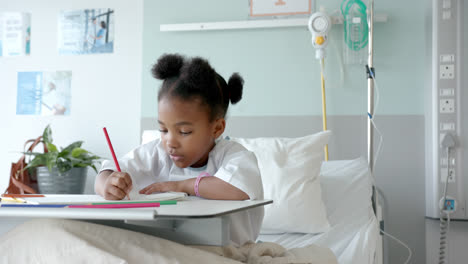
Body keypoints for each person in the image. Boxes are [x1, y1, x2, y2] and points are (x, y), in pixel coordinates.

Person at [95, 53, 264, 246]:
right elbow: (106, 171)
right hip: (170, 247)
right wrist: (108, 184)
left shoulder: (235, 156)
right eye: (163, 130)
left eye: (184, 132)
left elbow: (236, 188)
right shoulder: (156, 154)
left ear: (216, 128)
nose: (170, 142)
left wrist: (179, 186)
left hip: (226, 251)